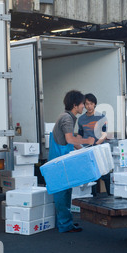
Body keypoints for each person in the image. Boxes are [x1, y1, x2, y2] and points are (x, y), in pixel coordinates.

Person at [49, 90, 94, 233]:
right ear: (75, 105)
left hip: (61, 158)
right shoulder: (67, 119)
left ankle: (66, 223)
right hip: (59, 160)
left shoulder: (67, 117)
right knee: (62, 193)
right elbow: (69, 139)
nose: (84, 107)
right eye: (82, 104)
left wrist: (83, 150)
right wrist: (87, 141)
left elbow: (72, 141)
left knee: (66, 191)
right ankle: (64, 225)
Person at [77, 93, 111, 196]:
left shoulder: (101, 117)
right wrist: (80, 146)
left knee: (105, 173)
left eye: (91, 104)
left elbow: (105, 133)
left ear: (95, 104)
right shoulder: (81, 119)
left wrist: (97, 143)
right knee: (91, 174)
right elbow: (80, 134)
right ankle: (93, 196)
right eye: (86, 104)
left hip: (99, 149)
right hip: (87, 150)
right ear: (84, 105)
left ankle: (109, 195)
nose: (89, 106)